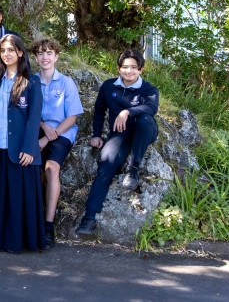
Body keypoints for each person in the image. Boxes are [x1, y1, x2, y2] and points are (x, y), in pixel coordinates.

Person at [76, 49, 159, 235]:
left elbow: (151, 108)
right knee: (105, 166)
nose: (129, 71)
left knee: (144, 120)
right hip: (119, 134)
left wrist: (127, 112)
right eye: (125, 67)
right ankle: (89, 219)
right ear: (119, 68)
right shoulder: (108, 86)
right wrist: (96, 135)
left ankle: (133, 169)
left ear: (141, 70)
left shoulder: (149, 89)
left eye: (134, 67)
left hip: (144, 130)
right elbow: (99, 111)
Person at [0, 34, 44, 252]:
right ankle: (1, 241)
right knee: (2, 198)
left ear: (20, 52)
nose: (6, 54)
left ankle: (22, 243)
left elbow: (34, 118)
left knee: (20, 198)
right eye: (2, 50)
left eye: (11, 50)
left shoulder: (32, 81)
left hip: (22, 150)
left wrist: (29, 148)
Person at [31, 39, 84, 249]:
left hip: (62, 131)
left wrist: (47, 137)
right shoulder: (31, 81)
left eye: (49, 53)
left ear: (56, 57)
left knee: (51, 169)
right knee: (31, 169)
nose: (45, 57)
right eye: (40, 53)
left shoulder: (66, 83)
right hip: (38, 128)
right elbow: (28, 112)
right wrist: (43, 128)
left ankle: (48, 225)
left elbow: (72, 118)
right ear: (35, 58)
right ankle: (32, 220)